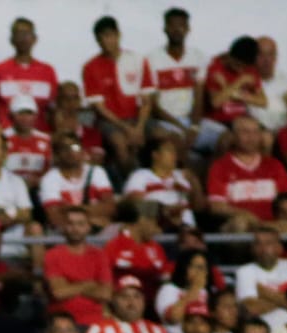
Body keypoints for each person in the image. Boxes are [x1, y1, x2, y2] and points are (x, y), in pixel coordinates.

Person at [82, 16, 154, 177]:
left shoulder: (138, 60)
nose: (105, 41)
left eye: (109, 35)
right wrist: (127, 129)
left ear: (118, 35)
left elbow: (147, 100)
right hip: (111, 122)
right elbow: (99, 108)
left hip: (138, 119)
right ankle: (132, 185)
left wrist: (139, 128)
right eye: (100, 38)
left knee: (166, 137)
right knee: (120, 143)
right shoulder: (90, 67)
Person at [206, 117, 287, 231]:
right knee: (240, 223)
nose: (251, 137)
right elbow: (216, 206)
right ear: (233, 136)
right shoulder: (220, 166)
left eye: (255, 132)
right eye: (245, 132)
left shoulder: (274, 165)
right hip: (242, 226)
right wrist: (247, 216)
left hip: (274, 226)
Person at [147, 8, 209, 151]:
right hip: (165, 121)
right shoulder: (152, 59)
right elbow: (154, 106)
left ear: (188, 29)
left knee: (225, 138)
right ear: (165, 29)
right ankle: (184, 173)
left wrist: (194, 126)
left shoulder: (198, 57)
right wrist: (180, 126)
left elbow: (199, 98)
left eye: (181, 26)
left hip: (192, 120)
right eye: (172, 26)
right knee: (176, 139)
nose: (177, 30)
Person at [44, 206, 112, 327]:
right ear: (64, 227)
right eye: (71, 224)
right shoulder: (53, 255)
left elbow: (106, 294)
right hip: (63, 323)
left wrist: (71, 286)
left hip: (95, 322)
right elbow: (59, 293)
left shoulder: (99, 255)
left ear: (88, 227)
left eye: (80, 224)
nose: (75, 229)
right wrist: (88, 285)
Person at [0, 18, 58, 128]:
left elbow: (54, 109)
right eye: (18, 34)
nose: (23, 38)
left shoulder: (48, 71)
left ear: (35, 39)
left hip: (40, 136)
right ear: (11, 39)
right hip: (6, 136)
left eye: (27, 34)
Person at [236, 228, 287, 332]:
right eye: (258, 243)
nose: (263, 248)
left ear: (280, 248)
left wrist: (263, 293)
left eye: (268, 243)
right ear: (252, 248)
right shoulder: (244, 271)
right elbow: (251, 309)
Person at [38, 132, 115, 230]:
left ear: (82, 150)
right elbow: (55, 217)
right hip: (65, 233)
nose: (70, 152)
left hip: (98, 230)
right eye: (64, 149)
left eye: (75, 147)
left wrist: (74, 209)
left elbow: (110, 208)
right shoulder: (49, 179)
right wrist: (89, 219)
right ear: (57, 154)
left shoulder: (96, 172)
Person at [125, 136, 201, 231]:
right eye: (169, 150)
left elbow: (199, 207)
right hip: (159, 229)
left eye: (175, 151)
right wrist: (166, 210)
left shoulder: (182, 176)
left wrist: (194, 181)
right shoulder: (141, 175)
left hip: (188, 230)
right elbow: (134, 203)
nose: (174, 155)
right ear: (155, 155)